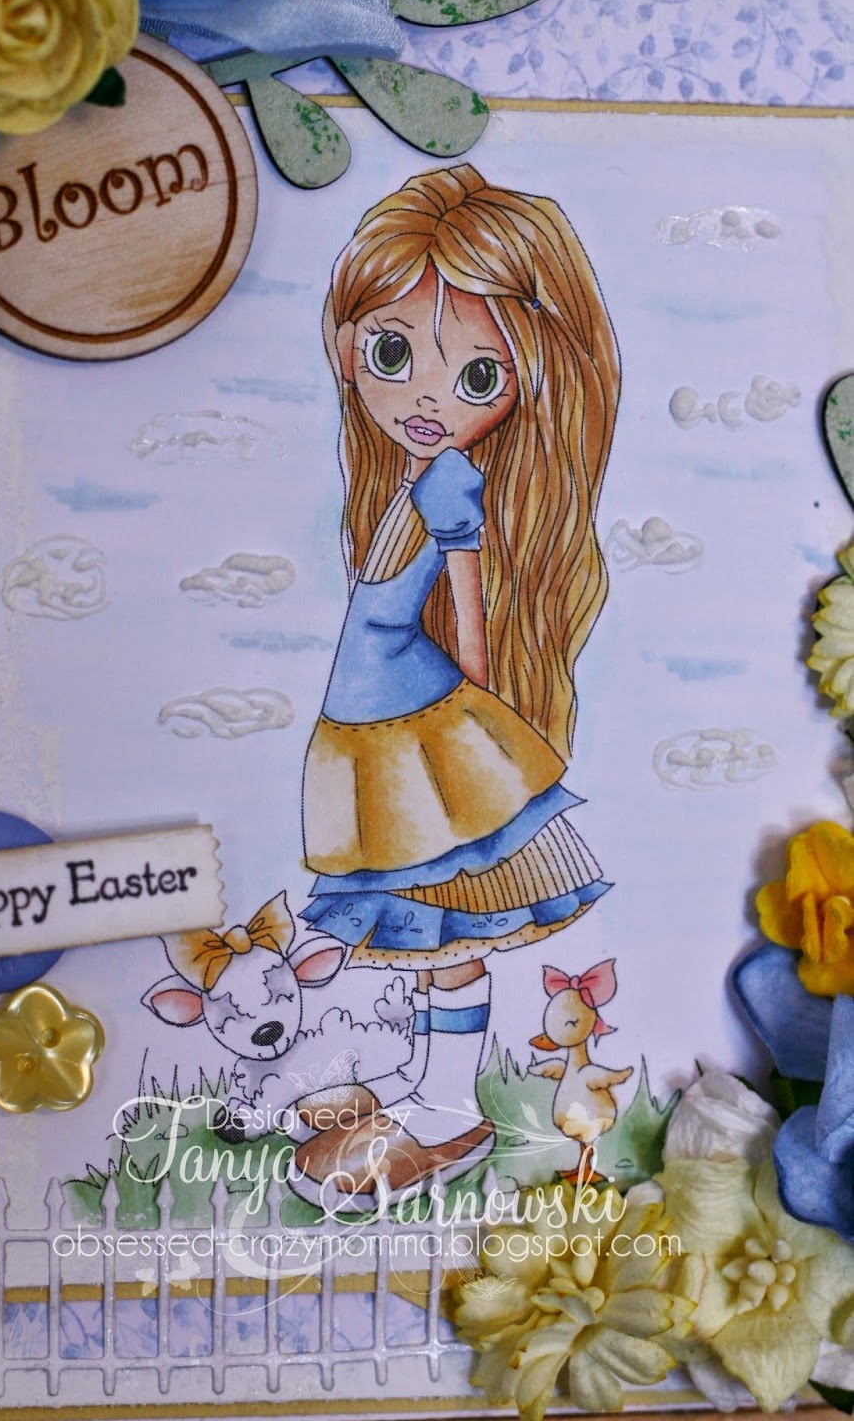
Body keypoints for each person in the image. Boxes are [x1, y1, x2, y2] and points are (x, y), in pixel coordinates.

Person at [293, 164, 620, 1208]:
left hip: (426, 732)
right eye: (393, 355)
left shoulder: (450, 482)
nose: (426, 401)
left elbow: (471, 610)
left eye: (478, 375)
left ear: (530, 378)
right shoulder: (398, 474)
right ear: (352, 348)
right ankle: (420, 1081)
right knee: (414, 916)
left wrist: (481, 729)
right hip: (374, 725)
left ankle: (447, 1110)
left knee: (445, 925)